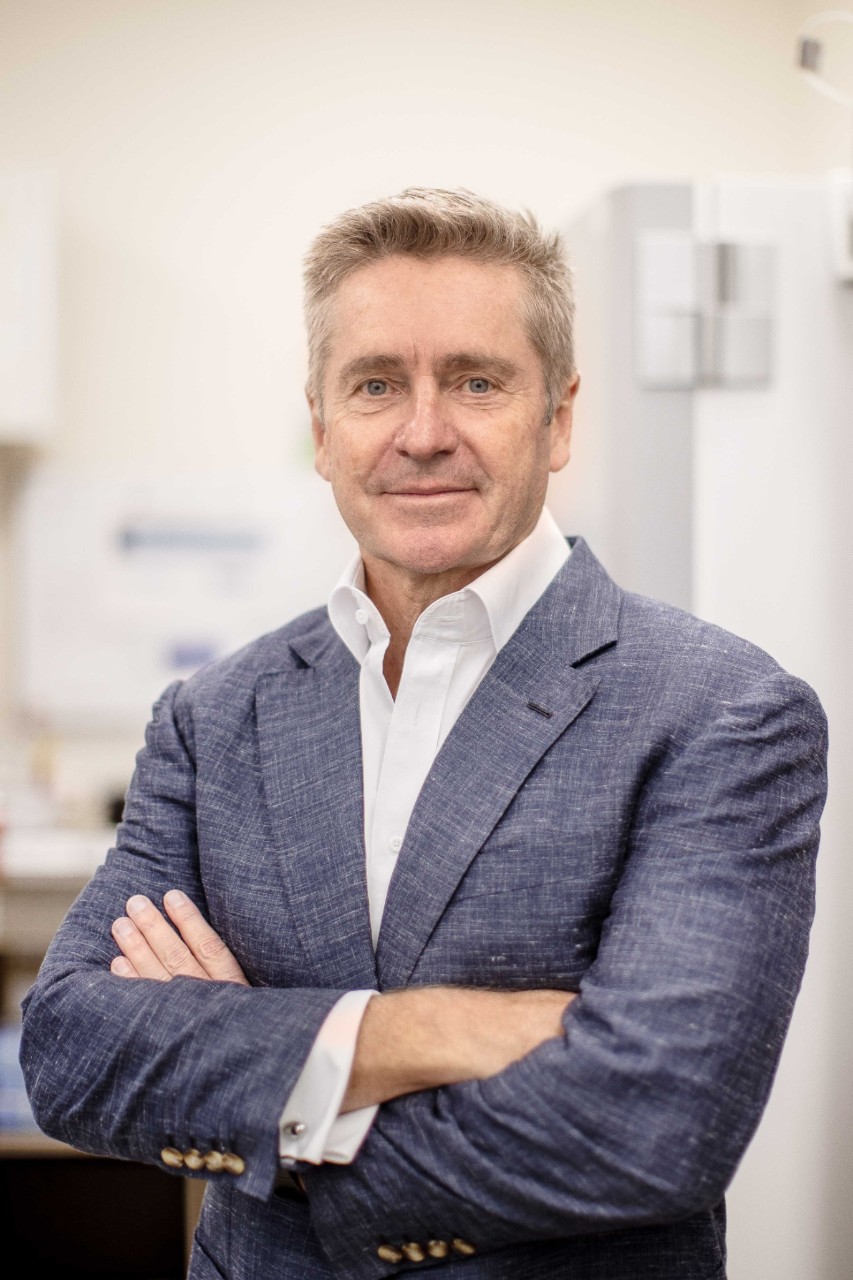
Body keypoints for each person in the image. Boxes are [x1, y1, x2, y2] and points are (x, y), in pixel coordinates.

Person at [20, 188, 828, 1280]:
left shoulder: (720, 711)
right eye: (375, 384)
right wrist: (420, 1033)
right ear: (321, 425)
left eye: (477, 380)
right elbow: (71, 1049)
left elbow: (655, 1124)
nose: (422, 430)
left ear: (560, 417)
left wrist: (267, 1080)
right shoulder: (216, 717)